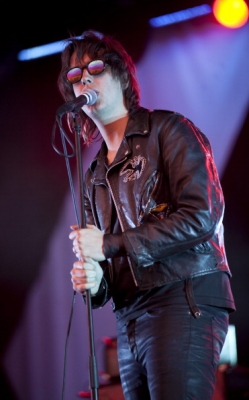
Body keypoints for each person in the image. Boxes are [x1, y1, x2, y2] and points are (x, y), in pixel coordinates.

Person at [57, 30, 236, 400]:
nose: (84, 78)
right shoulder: (93, 178)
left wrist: (109, 244)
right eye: (75, 76)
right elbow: (107, 271)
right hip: (131, 318)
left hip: (183, 297)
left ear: (122, 76)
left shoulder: (168, 130)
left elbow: (202, 215)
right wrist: (94, 281)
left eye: (95, 68)